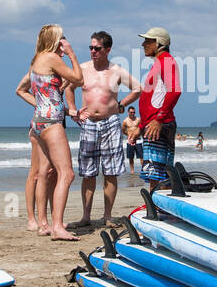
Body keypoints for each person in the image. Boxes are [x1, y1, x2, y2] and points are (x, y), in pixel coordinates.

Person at [17, 24, 83, 240]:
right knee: (67, 173)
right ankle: (57, 227)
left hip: (39, 120)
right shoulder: (53, 59)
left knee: (45, 172)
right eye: (61, 37)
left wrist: (66, 109)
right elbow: (78, 79)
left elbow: (47, 94)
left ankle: (45, 224)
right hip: (51, 122)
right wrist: (71, 54)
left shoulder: (37, 59)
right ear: (55, 39)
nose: (64, 40)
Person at [69, 31, 141, 228]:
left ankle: (107, 216)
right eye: (91, 47)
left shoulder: (116, 70)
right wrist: (74, 111)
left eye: (97, 48)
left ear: (107, 50)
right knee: (88, 172)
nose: (93, 51)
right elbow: (68, 88)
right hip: (89, 122)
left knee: (110, 172)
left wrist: (121, 105)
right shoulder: (82, 69)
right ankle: (86, 216)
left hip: (110, 122)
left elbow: (138, 88)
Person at [138, 27, 182, 191]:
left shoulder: (166, 61)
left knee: (158, 175)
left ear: (159, 44)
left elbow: (175, 90)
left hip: (159, 123)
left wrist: (158, 119)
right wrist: (142, 126)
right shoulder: (160, 62)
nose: (143, 44)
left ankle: (158, 210)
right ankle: (158, 208)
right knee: (156, 175)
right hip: (154, 123)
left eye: (148, 41)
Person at [16, 71, 56, 231]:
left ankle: (50, 219)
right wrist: (40, 104)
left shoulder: (58, 69)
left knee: (52, 173)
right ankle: (32, 219)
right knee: (36, 173)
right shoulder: (38, 68)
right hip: (40, 123)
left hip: (56, 122)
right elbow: (20, 90)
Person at [121, 106, 142, 175]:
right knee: (131, 157)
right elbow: (123, 130)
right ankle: (132, 171)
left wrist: (136, 135)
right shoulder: (125, 121)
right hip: (130, 140)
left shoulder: (138, 120)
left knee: (141, 156)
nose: (133, 114)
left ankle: (143, 170)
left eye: (134, 112)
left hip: (138, 140)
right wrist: (129, 135)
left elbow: (141, 129)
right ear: (128, 112)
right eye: (131, 112)